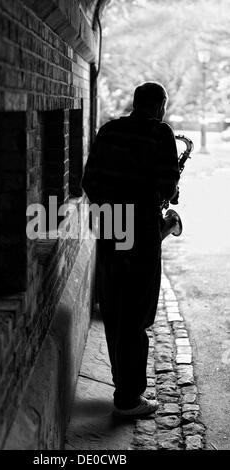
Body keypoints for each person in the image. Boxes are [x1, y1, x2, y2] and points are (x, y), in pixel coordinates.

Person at [81, 82, 180, 417]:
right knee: (137, 312)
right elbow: (168, 186)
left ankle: (121, 383)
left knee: (115, 305)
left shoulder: (109, 130)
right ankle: (128, 397)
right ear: (159, 105)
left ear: (135, 103)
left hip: (111, 226)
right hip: (141, 230)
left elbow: (88, 181)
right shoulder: (161, 133)